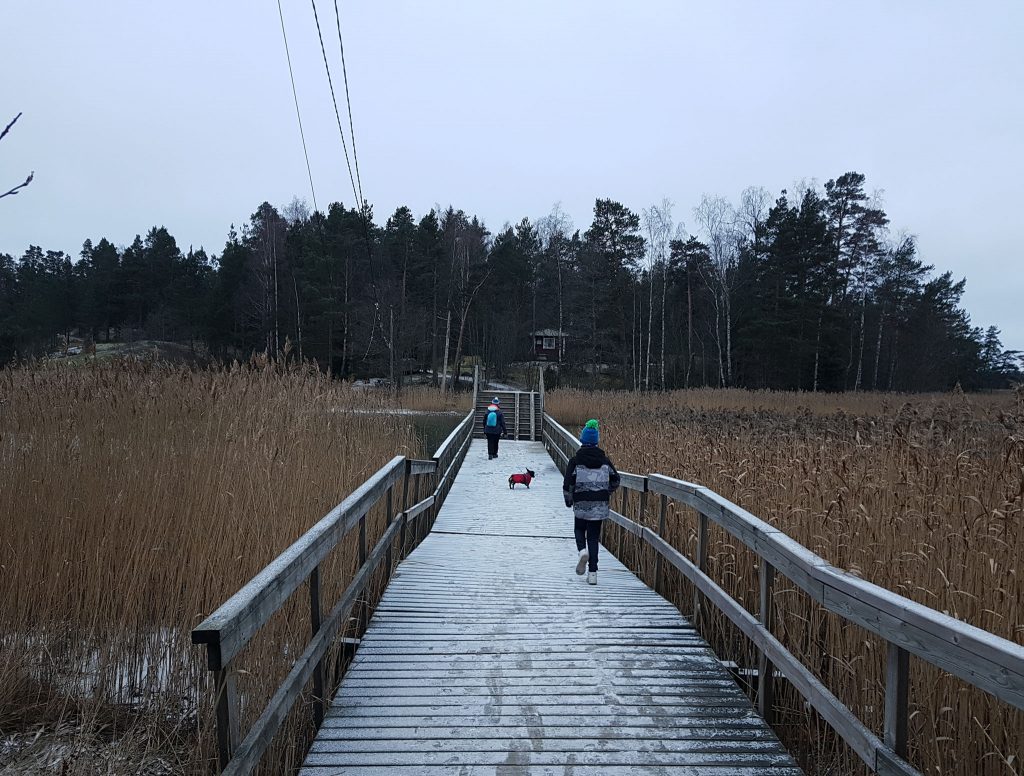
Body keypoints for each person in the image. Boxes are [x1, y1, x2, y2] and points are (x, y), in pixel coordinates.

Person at [562, 419, 619, 585]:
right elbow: (616, 479)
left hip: (581, 503)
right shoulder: (605, 461)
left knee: (579, 529)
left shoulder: (575, 460)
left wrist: (569, 500)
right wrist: (605, 491)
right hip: (599, 506)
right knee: (593, 538)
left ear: (582, 440)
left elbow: (568, 483)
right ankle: (593, 574)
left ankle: (581, 552)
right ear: (596, 442)